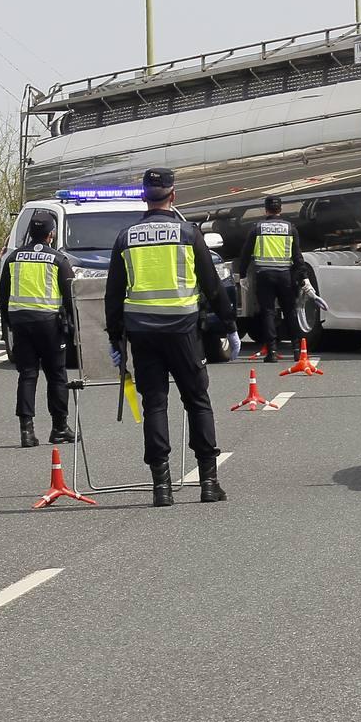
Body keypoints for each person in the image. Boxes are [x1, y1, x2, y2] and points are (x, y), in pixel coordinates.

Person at [105, 168, 238, 507]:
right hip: (183, 331)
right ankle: (209, 482)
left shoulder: (126, 236)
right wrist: (229, 325)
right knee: (197, 401)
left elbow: (114, 293)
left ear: (143, 196)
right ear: (173, 195)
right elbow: (212, 284)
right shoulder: (188, 234)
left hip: (142, 333)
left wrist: (115, 338)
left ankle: (160, 487)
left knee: (155, 404)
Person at [0, 212, 76, 448]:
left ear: (31, 233)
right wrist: (72, 326)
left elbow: (2, 297)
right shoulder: (58, 260)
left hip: (21, 323)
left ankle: (27, 430)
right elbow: (70, 297)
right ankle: (59, 427)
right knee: (57, 375)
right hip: (50, 324)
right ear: (51, 234)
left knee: (28, 374)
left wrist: (9, 323)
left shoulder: (13, 258)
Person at [235, 195, 303, 363]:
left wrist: (242, 274)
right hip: (285, 275)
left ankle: (272, 351)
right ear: (280, 209)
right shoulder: (290, 228)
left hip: (264, 275)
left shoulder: (257, 228)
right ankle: (296, 349)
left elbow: (245, 254)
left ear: (266, 209)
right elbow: (297, 257)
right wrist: (303, 277)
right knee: (290, 311)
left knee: (268, 312)